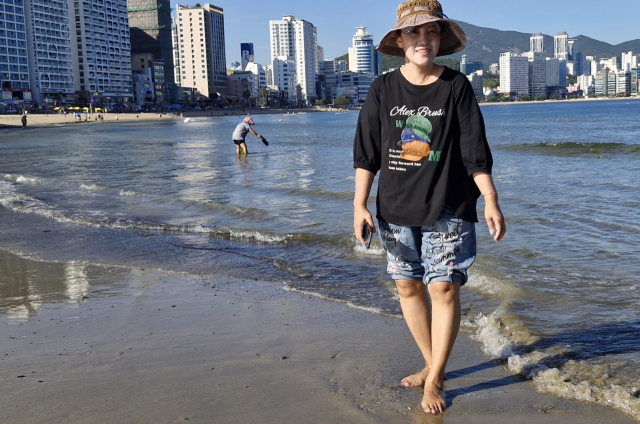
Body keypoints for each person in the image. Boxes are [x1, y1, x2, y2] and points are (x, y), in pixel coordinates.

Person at [352, 0, 506, 415]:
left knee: (442, 285)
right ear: (400, 40)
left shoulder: (456, 86)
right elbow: (366, 152)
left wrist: (489, 198)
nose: (424, 40)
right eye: (415, 33)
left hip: (448, 205)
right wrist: (358, 204)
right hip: (394, 208)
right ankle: (430, 360)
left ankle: (435, 376)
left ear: (441, 39)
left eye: (432, 32)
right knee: (406, 285)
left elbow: (476, 151)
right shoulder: (382, 88)